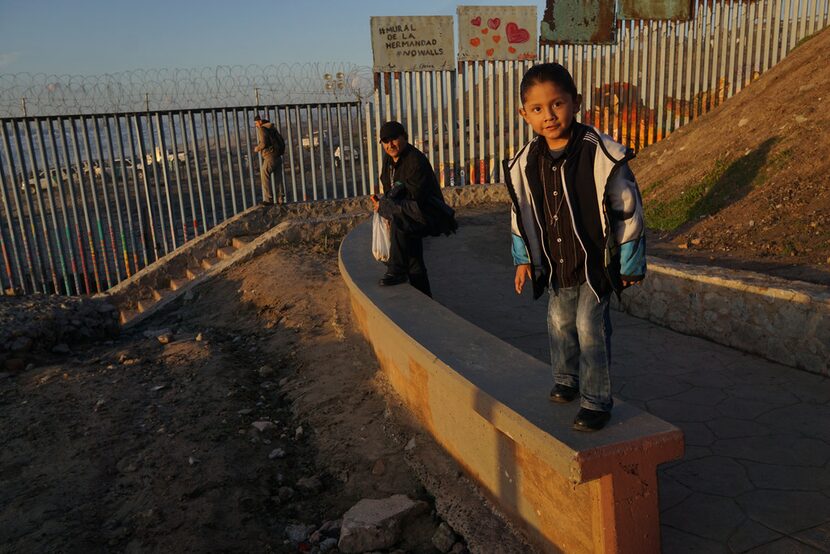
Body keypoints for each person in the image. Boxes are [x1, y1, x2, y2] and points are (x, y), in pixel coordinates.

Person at [506, 63, 646, 432]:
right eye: (537, 109)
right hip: (556, 264)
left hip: (594, 264)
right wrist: (523, 259)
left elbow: (628, 207)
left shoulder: (598, 153)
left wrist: (630, 262)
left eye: (557, 104)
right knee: (558, 322)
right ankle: (566, 379)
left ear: (576, 102)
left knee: (588, 325)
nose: (548, 115)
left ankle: (596, 401)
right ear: (524, 114)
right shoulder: (527, 162)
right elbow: (520, 213)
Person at [371, 121, 457, 297]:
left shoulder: (415, 160)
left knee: (401, 223)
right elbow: (389, 189)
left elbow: (414, 196)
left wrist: (386, 208)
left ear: (405, 137)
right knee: (414, 258)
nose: (390, 145)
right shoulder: (388, 160)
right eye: (385, 141)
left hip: (427, 213)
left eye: (394, 139)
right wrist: (385, 207)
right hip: (408, 211)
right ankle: (425, 301)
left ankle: (396, 269)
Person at [254, 114, 285, 206]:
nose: (256, 125)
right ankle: (280, 198)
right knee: (278, 177)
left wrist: (257, 148)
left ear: (260, 122)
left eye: (256, 123)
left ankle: (268, 199)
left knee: (264, 175)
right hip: (278, 156)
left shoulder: (262, 129)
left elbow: (263, 143)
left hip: (269, 157)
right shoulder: (272, 128)